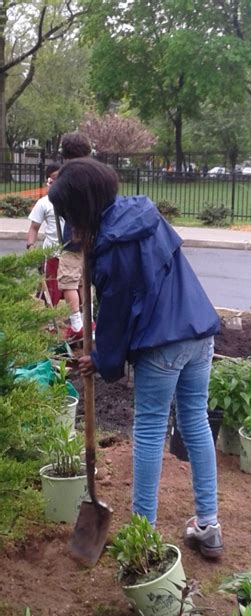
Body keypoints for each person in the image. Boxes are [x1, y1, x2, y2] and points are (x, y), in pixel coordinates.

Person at [48, 158, 223, 559]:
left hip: (162, 343)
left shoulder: (111, 248)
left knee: (148, 430)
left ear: (82, 207)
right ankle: (208, 525)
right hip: (199, 330)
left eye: (69, 213)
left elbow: (117, 314)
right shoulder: (142, 214)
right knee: (194, 421)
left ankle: (143, 533)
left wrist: (103, 360)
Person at [56, 132, 92, 341]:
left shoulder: (68, 174)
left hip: (74, 238)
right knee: (86, 279)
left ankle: (78, 323)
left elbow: (61, 204)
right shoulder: (95, 173)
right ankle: (89, 321)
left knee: (69, 280)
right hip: (94, 236)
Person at [26, 163, 63, 306]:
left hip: (71, 252)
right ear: (48, 180)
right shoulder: (44, 203)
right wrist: (31, 246)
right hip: (52, 252)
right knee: (51, 288)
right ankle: (50, 321)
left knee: (75, 287)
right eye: (55, 177)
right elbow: (34, 227)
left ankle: (79, 321)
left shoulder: (74, 200)